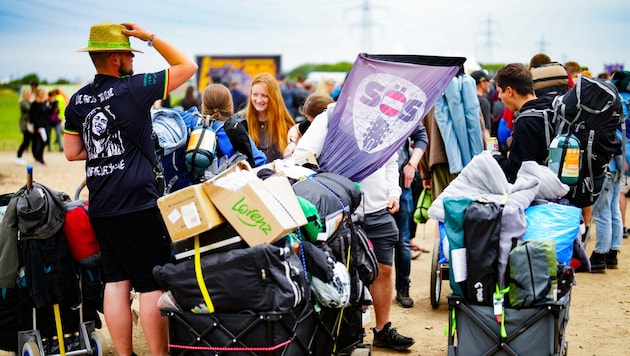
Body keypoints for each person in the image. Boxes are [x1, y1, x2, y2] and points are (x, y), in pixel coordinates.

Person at [64, 22, 197, 356]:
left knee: (115, 281)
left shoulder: (77, 101)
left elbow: (72, 152)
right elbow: (188, 66)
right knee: (149, 282)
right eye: (128, 53)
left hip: (102, 203)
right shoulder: (135, 88)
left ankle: (124, 354)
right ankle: (158, 353)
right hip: (138, 200)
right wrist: (147, 36)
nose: (132, 59)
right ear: (114, 59)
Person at [294, 104, 415, 351]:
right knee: (341, 271)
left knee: (384, 268)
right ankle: (340, 333)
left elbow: (390, 161)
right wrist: (325, 183)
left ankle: (383, 329)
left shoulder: (384, 118)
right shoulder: (329, 117)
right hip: (340, 210)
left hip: (377, 208)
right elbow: (302, 156)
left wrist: (394, 191)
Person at [492, 63, 554, 183]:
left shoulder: (526, 121)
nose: (499, 96)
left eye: (500, 91)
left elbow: (516, 170)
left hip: (538, 190)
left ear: (509, 91)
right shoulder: (549, 107)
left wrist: (494, 158)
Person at [393, 124, 428, 308]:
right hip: (372, 183)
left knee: (403, 240)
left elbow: (422, 137)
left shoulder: (403, 107)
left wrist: (412, 164)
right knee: (371, 240)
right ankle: (368, 292)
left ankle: (403, 288)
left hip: (401, 183)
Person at [200, 83, 266, 168]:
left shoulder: (198, 132)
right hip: (233, 179)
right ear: (230, 106)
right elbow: (259, 160)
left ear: (203, 106)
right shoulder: (233, 130)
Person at [245, 72, 295, 162]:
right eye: (255, 94)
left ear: (273, 97)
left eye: (264, 96)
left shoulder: (286, 124)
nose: (258, 100)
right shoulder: (242, 121)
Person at [590, 155, 623, 272]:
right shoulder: (619, 135)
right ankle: (612, 254)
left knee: (602, 213)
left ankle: (600, 255)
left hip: (604, 169)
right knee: (614, 211)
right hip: (619, 166)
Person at [283, 93, 334, 158]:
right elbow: (295, 128)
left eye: (312, 121)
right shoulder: (309, 123)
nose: (311, 125)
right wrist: (292, 143)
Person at [30, 88, 49, 165]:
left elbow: (47, 113)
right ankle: (39, 158)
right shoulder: (34, 104)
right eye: (41, 93)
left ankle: (39, 157)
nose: (43, 94)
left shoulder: (44, 103)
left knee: (44, 142)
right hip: (39, 126)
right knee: (39, 143)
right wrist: (37, 127)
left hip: (45, 125)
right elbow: (34, 116)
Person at [471, 70, 492, 138]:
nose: (490, 84)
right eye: (488, 81)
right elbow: (486, 129)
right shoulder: (483, 102)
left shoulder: (469, 100)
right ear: (482, 84)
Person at [16, 87, 33, 165]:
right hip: (25, 124)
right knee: (25, 141)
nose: (30, 94)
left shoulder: (27, 101)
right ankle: (18, 157)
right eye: (29, 93)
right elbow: (30, 109)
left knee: (28, 141)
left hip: (28, 124)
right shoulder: (23, 102)